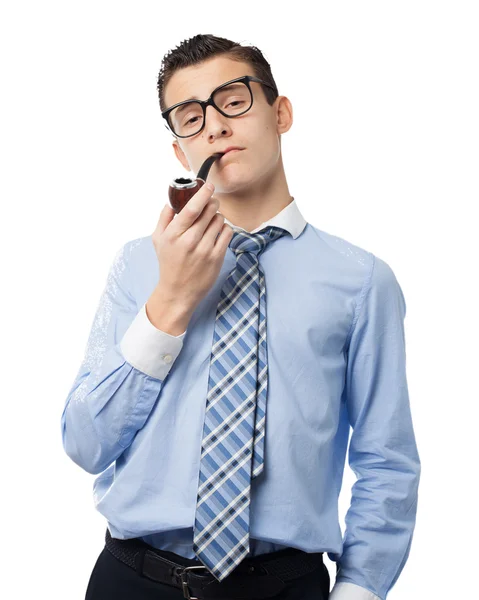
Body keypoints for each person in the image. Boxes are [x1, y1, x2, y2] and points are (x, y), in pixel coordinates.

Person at [61, 34, 421, 600]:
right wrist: (171, 301)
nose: (214, 126)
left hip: (282, 587)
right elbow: (86, 442)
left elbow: (386, 460)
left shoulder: (362, 281)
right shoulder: (139, 263)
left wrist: (359, 591)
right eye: (189, 116)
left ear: (281, 113)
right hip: (132, 580)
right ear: (180, 151)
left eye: (232, 100)